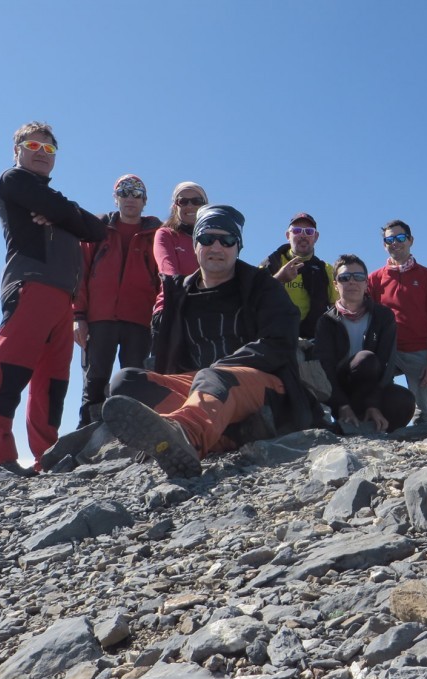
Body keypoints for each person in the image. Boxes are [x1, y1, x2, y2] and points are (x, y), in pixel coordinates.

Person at [101, 204, 322, 478]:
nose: (217, 247)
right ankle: (224, 437)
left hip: (264, 386)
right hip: (202, 385)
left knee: (214, 376)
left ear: (238, 246)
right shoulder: (180, 294)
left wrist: (221, 367)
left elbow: (279, 343)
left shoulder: (263, 286)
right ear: (195, 245)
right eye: (207, 239)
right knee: (125, 382)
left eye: (227, 240)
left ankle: (186, 433)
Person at [0, 121, 106, 475]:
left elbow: (95, 230)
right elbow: (76, 219)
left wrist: (61, 215)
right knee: (10, 370)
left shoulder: (48, 198)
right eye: (33, 146)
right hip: (30, 285)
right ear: (16, 150)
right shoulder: (13, 180)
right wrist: (66, 216)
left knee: (53, 381)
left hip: (63, 297)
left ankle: (45, 458)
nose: (41, 154)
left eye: (49, 150)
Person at [73, 174, 162, 427]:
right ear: (115, 198)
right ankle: (88, 434)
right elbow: (81, 275)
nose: (130, 198)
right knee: (95, 380)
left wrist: (159, 319)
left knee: (134, 380)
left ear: (144, 201)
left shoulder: (156, 235)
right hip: (99, 318)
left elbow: (161, 280)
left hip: (140, 320)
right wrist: (78, 317)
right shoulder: (97, 231)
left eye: (136, 194)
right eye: (124, 192)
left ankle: (130, 436)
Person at [314, 255, 415, 433]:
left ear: (366, 283)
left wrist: (373, 404)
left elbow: (386, 364)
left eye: (358, 277)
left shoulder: (383, 316)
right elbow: (326, 368)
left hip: (372, 388)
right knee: (365, 359)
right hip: (342, 387)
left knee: (404, 400)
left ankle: (367, 424)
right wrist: (341, 405)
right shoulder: (326, 321)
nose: (352, 282)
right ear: (335, 285)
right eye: (344, 278)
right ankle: (350, 420)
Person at [367, 219, 427, 425]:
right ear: (384, 245)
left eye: (400, 238)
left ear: (411, 240)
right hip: (386, 350)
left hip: (419, 352)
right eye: (389, 239)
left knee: (424, 416)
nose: (395, 243)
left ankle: (421, 439)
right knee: (370, 387)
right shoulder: (374, 279)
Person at [259, 212, 338, 339]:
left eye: (309, 231)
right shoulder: (271, 263)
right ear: (287, 235)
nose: (303, 235)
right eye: (296, 230)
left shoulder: (326, 270)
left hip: (313, 342)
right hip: (274, 339)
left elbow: (337, 308)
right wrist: (278, 279)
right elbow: (253, 299)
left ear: (316, 237)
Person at [152, 181, 208, 314]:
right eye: (183, 201)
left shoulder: (213, 239)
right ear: (174, 206)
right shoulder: (166, 234)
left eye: (196, 201)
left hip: (207, 308)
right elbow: (168, 273)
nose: (190, 206)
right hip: (171, 308)